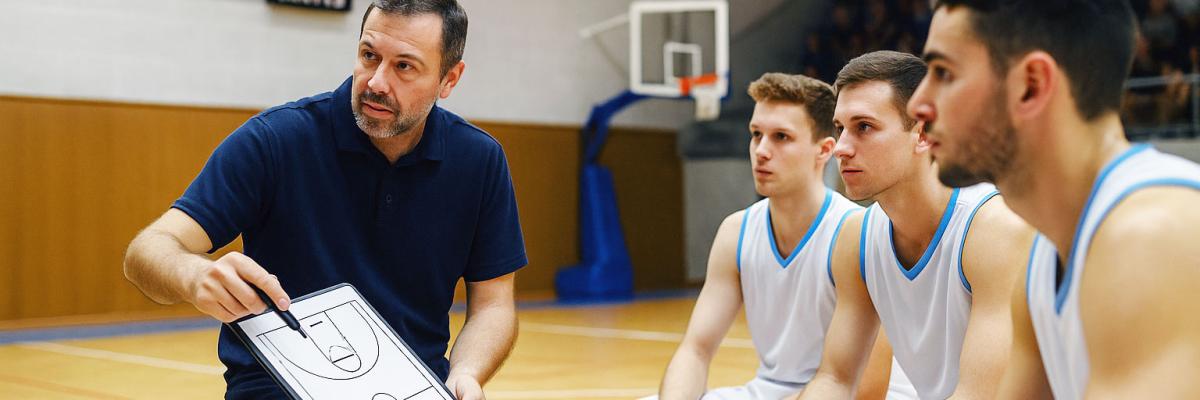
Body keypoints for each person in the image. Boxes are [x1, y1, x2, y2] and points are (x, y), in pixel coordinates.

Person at [122, 1, 526, 399]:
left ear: (449, 80)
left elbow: (493, 305)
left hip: (415, 389)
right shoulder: (274, 140)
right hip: (274, 391)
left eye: (404, 66)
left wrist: (467, 374)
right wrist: (193, 277)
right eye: (369, 55)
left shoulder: (479, 160)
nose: (376, 82)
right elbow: (147, 251)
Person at [907, 1, 1200, 397]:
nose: (917, 106)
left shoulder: (1150, 238)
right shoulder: (1043, 253)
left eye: (943, 73)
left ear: (1031, 85)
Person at [650, 73, 912, 400]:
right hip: (769, 392)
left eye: (781, 137)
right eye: (756, 134)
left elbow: (865, 389)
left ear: (824, 150)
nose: (761, 150)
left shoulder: (861, 234)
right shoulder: (736, 232)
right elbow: (696, 350)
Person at [797, 51, 1033, 400]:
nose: (841, 148)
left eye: (864, 127)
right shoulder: (856, 238)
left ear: (923, 133)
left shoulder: (994, 231)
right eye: (839, 128)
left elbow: (978, 395)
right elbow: (838, 380)